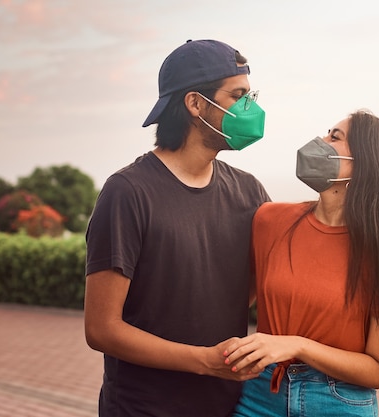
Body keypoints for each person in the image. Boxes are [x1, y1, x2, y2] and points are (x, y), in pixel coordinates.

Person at [84, 39, 270, 417]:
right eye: (238, 96)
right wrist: (204, 359)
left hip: (226, 405)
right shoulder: (128, 192)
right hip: (142, 408)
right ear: (195, 104)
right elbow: (101, 329)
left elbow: (243, 291)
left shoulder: (251, 192)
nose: (251, 108)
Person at [223, 110, 379, 416]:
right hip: (260, 394)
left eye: (335, 137)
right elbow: (232, 301)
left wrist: (298, 345)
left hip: (338, 402)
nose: (320, 141)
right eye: (327, 132)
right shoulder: (270, 220)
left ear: (365, 164)